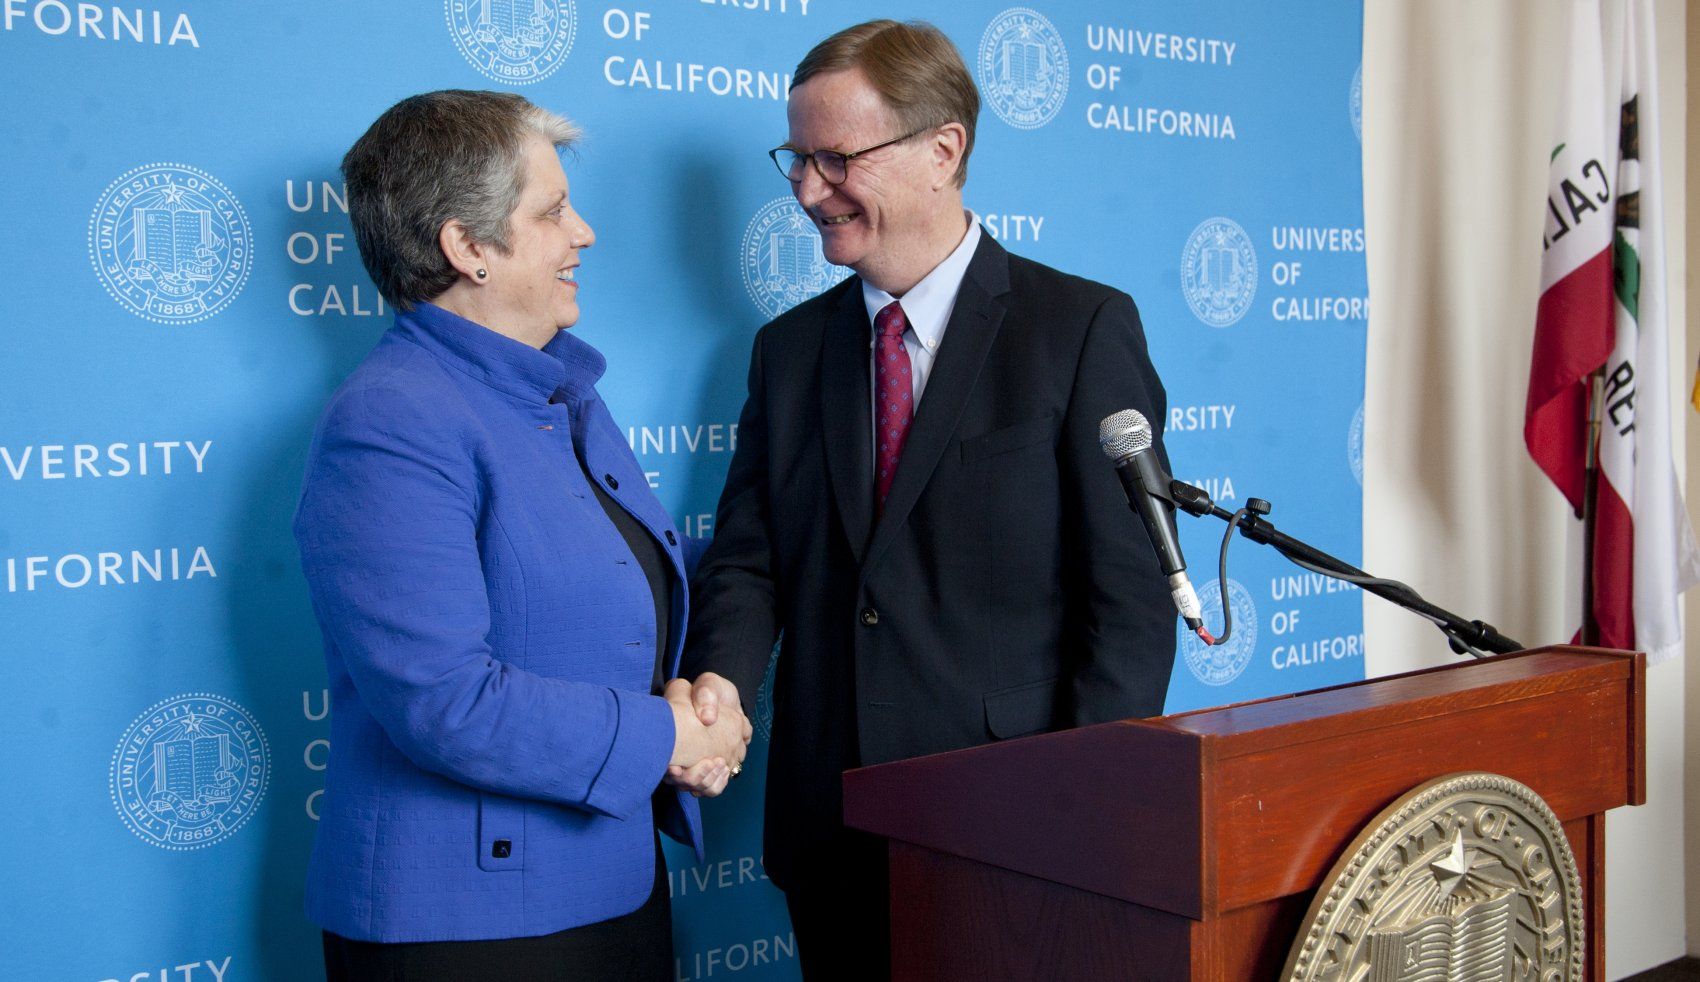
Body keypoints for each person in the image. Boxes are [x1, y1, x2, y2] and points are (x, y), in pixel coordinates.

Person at [680, 20, 1176, 978]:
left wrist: (1081, 823)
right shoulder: (787, 354)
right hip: (832, 834)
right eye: (796, 158)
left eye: (835, 158)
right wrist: (721, 691)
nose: (805, 189)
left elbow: (1127, 608)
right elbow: (750, 559)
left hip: (1018, 838)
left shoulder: (1079, 329)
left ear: (944, 149)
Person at [294, 89, 749, 981]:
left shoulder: (561, 393)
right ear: (467, 247)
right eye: (552, 212)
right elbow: (443, 698)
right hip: (467, 931)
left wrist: (713, 687)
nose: (583, 233)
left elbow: (617, 597)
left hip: (607, 890)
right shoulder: (390, 421)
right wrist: (670, 739)